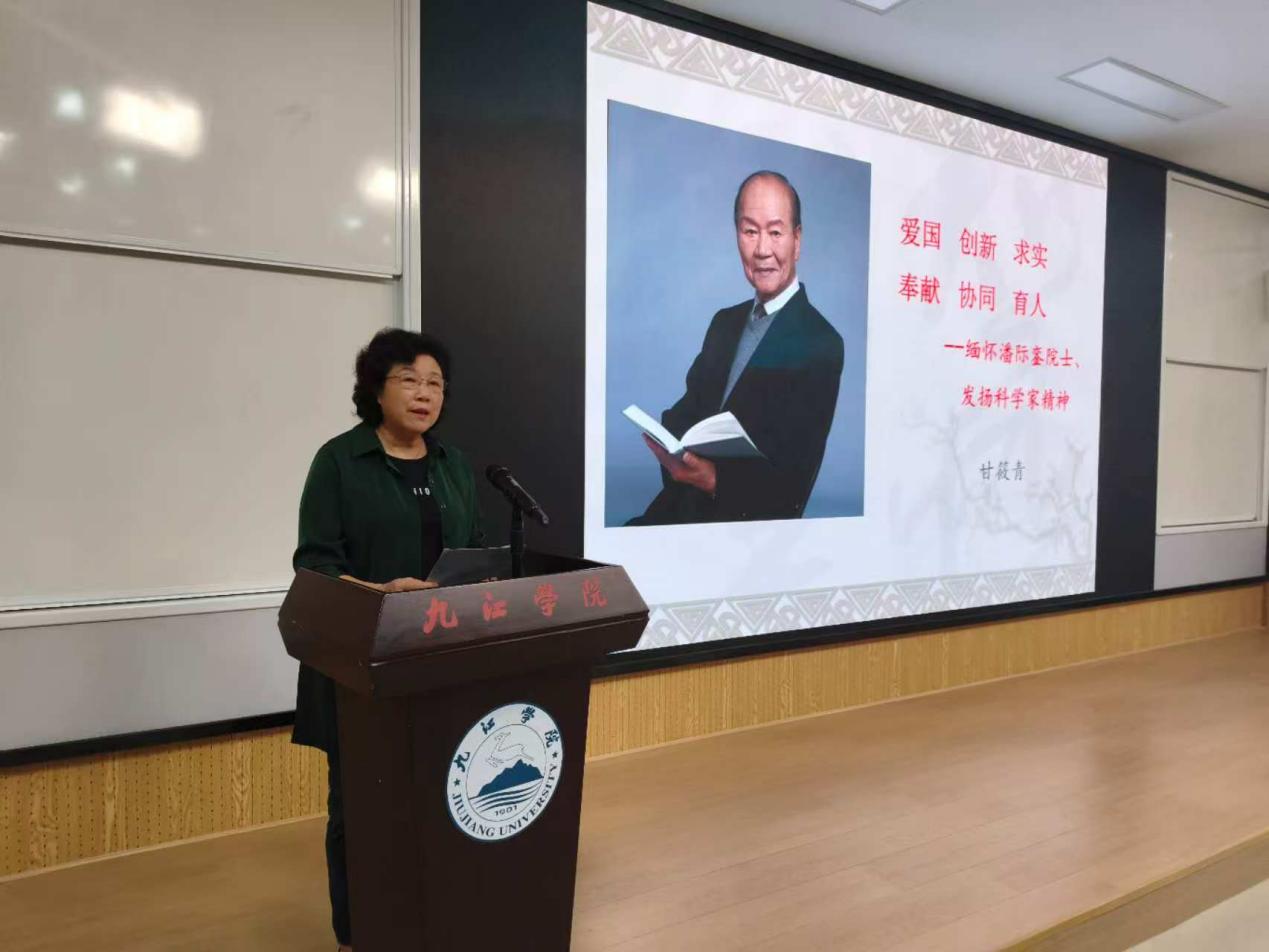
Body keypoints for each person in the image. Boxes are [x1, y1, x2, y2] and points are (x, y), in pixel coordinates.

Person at [289, 328, 484, 951]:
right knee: (360, 806)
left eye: (435, 384)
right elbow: (315, 566)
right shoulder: (339, 462)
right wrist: (380, 591)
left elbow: (474, 555)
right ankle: (358, 934)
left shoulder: (454, 466)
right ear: (376, 389)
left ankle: (432, 921)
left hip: (439, 659)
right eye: (409, 380)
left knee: (440, 795)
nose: (424, 394)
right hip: (362, 660)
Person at [630, 170, 845, 525]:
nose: (762, 250)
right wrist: (669, 444)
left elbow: (793, 487)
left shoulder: (822, 343)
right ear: (737, 237)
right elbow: (687, 411)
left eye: (775, 232)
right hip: (676, 511)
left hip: (745, 534)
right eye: (750, 231)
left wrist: (712, 479)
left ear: (797, 240)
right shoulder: (724, 323)